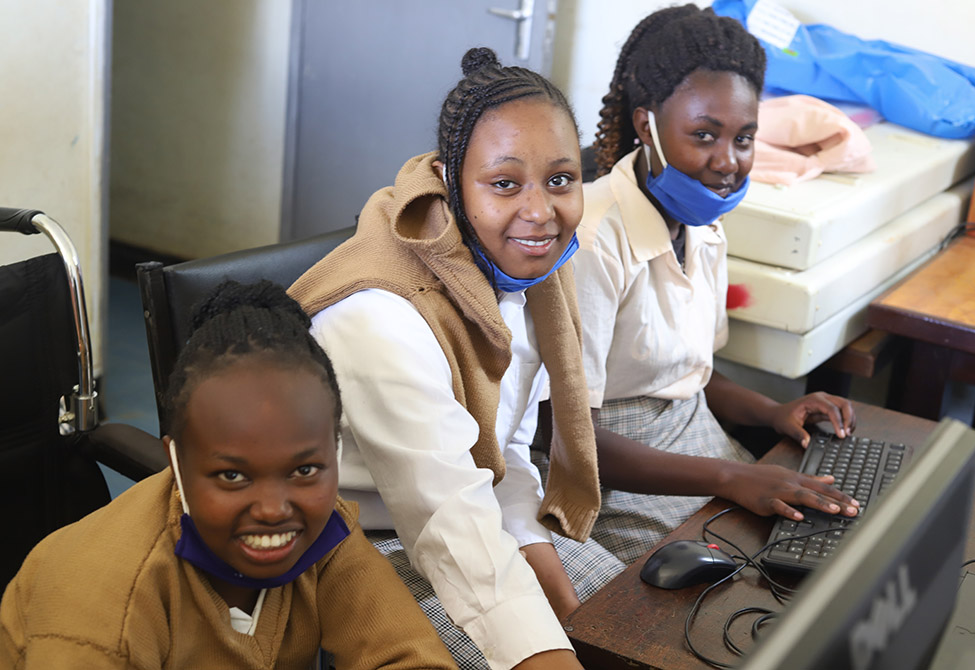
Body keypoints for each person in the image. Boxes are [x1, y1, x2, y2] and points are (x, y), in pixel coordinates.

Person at [289, 48, 624, 670]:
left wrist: (532, 543)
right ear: (449, 180)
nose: (540, 212)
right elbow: (446, 525)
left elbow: (508, 445)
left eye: (560, 179)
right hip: (358, 539)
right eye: (504, 183)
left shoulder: (531, 271)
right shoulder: (381, 315)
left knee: (626, 623)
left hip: (478, 502)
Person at [0, 280, 457, 670]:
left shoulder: (326, 536)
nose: (275, 509)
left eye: (303, 469)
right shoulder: (99, 611)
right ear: (175, 463)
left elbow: (407, 655)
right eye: (233, 476)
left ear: (334, 455)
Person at [568, 5, 860, 565]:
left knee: (812, 554)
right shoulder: (594, 238)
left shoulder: (701, 227)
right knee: (725, 594)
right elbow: (566, 437)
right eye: (704, 135)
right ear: (644, 124)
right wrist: (730, 476)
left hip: (694, 441)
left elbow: (687, 373)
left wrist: (775, 411)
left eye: (744, 138)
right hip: (618, 475)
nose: (727, 162)